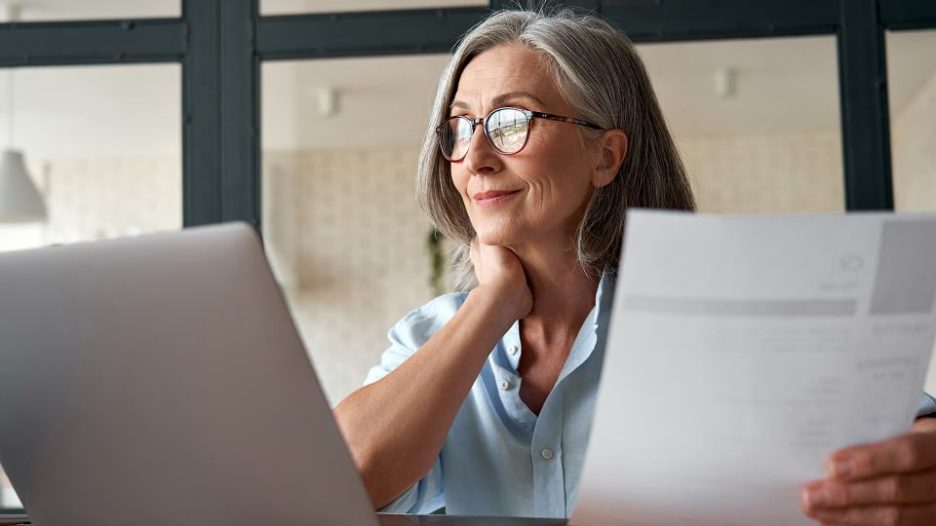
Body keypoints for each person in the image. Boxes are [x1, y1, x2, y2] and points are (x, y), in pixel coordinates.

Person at [334, 8, 936, 524]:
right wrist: (492, 304)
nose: (477, 157)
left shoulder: (715, 317)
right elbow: (340, 482)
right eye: (460, 128)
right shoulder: (426, 338)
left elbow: (909, 436)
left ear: (606, 155)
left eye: (511, 121)